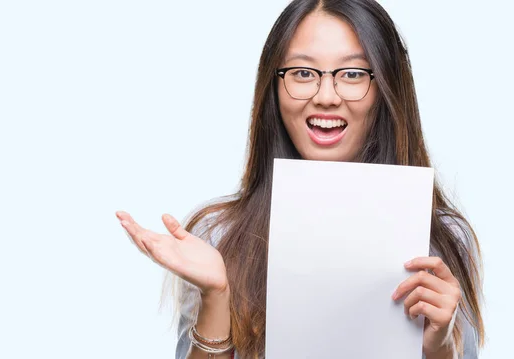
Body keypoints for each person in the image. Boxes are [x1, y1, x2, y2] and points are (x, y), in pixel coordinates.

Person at [116, 0, 485, 358]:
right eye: (303, 73)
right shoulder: (218, 238)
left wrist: (441, 350)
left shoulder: (443, 240)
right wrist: (216, 294)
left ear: (386, 89)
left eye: (353, 74)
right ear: (274, 89)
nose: (326, 97)